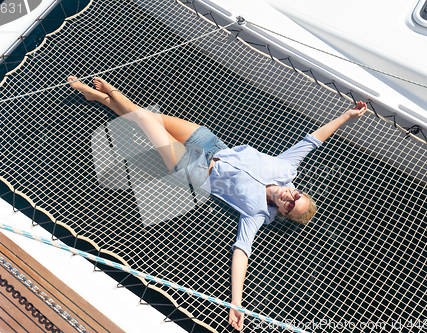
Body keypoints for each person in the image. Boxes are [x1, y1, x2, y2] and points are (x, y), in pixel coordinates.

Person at [67, 76, 368, 331]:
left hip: (193, 167)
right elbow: (313, 140)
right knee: (149, 118)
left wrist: (235, 301)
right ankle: (103, 100)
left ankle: (109, 93)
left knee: (144, 119)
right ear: (298, 191)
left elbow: (242, 251)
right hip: (211, 144)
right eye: (296, 197)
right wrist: (346, 116)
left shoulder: (257, 213)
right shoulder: (287, 169)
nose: (289, 199)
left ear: (284, 213)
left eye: (290, 207)